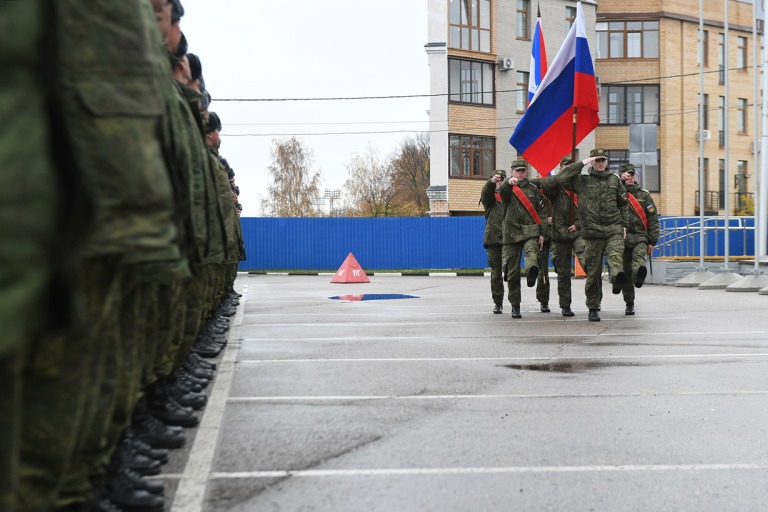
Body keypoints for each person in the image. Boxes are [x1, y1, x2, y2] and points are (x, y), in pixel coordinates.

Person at [541, 149, 629, 321]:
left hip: (613, 228)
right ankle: (593, 307)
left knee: (615, 253)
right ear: (593, 162)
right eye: (597, 160)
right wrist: (582, 163)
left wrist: (624, 225)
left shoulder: (615, 181)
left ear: (607, 162)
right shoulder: (582, 181)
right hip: (592, 233)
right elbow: (561, 179)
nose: (601, 163)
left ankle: (617, 276)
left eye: (603, 160)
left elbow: (623, 204)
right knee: (593, 272)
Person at [531, 156, 586, 317]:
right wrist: (542, 222)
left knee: (562, 268)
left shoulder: (579, 187)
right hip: (545, 232)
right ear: (560, 169)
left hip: (564, 233)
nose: (568, 170)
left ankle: (570, 305)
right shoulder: (552, 187)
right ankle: (543, 300)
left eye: (571, 167)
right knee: (543, 270)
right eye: (565, 167)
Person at [497, 158, 547, 319]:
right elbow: (502, 193)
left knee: (532, 252)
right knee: (512, 273)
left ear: (526, 172)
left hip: (530, 230)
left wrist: (542, 233)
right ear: (511, 172)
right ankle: (515, 305)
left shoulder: (533, 190)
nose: (520, 173)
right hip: (511, 233)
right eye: (517, 171)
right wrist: (507, 183)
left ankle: (531, 271)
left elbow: (542, 213)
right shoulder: (507, 188)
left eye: (523, 170)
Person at [619, 163, 660, 315]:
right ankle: (629, 302)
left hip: (640, 237)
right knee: (626, 271)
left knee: (638, 259)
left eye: (632, 174)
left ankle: (640, 275)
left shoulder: (644, 195)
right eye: (626, 175)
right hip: (622, 238)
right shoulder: (615, 194)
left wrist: (652, 241)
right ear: (621, 176)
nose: (629, 177)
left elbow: (653, 219)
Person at [480, 170, 507, 314]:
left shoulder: (511, 196)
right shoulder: (490, 199)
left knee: (509, 268)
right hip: (493, 239)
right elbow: (485, 193)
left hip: (510, 238)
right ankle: (498, 302)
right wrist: (490, 183)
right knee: (496, 273)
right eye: (496, 180)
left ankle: (515, 304)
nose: (499, 182)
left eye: (501, 179)